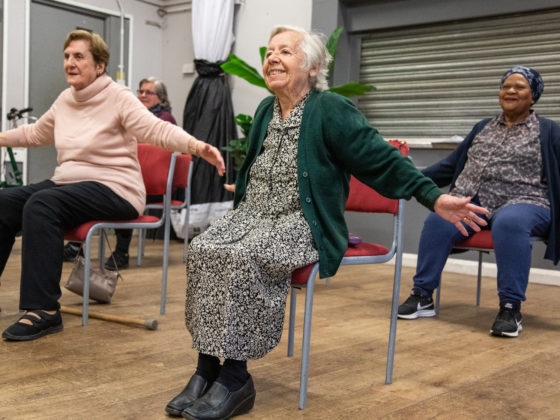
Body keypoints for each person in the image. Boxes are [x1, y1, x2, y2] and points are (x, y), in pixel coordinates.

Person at [164, 25, 487, 420]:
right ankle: (206, 369)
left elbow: (379, 159)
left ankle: (235, 378)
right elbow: (256, 165)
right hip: (253, 215)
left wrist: (432, 196)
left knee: (243, 255)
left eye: (286, 52)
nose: (272, 58)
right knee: (204, 248)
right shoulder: (267, 110)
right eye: (270, 52)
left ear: (313, 66)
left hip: (302, 222)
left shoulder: (331, 109)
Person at [0, 30, 225, 342]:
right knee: (5, 202)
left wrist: (196, 146)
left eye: (79, 56)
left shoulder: (118, 97)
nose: (70, 62)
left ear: (100, 65)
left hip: (115, 187)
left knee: (42, 204)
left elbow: (155, 129)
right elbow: (36, 133)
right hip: (69, 185)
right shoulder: (66, 100)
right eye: (67, 56)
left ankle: (44, 310)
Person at [397, 66, 559, 338]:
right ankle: (422, 295)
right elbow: (450, 166)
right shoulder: (483, 127)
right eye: (506, 86)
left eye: (519, 87)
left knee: (510, 222)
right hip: (474, 201)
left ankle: (510, 307)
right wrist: (409, 180)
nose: (510, 91)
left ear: (533, 96)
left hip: (526, 201)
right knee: (440, 218)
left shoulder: (549, 131)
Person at [63, 76, 179, 270]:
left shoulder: (165, 119)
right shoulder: (132, 114)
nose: (142, 95)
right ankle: (76, 245)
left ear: (161, 97)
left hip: (149, 181)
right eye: (140, 91)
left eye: (148, 92)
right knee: (88, 187)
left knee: (117, 192)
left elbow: (151, 150)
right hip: (128, 176)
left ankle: (120, 252)